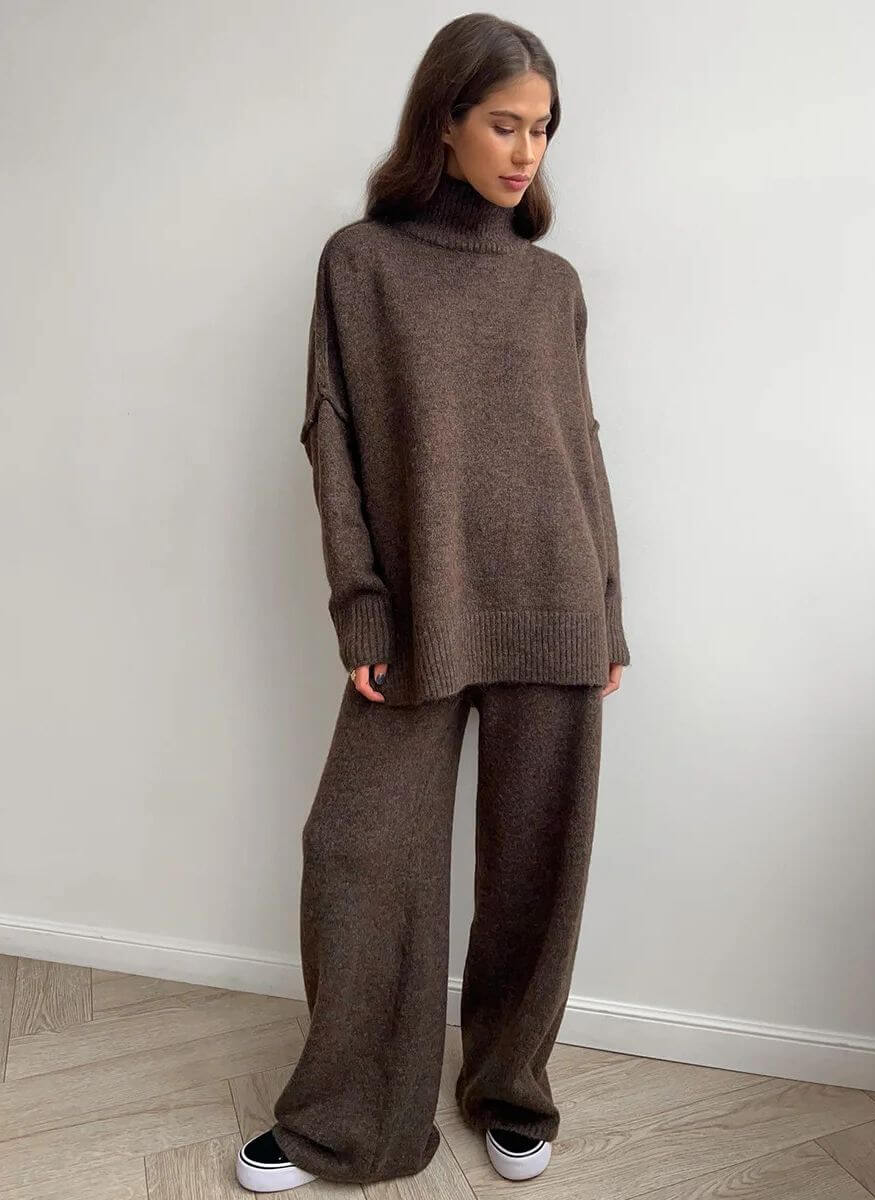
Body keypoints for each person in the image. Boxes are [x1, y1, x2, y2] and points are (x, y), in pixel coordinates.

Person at [236, 12, 631, 1193]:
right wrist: (362, 607)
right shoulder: (362, 264)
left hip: (557, 604)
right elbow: (336, 441)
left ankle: (510, 1087)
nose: (527, 152)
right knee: (356, 854)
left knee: (536, 872)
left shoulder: (552, 285)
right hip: (422, 615)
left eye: (543, 130)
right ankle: (350, 1116)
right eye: (506, 124)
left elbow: (582, 452)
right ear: (445, 121)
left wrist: (608, 612)